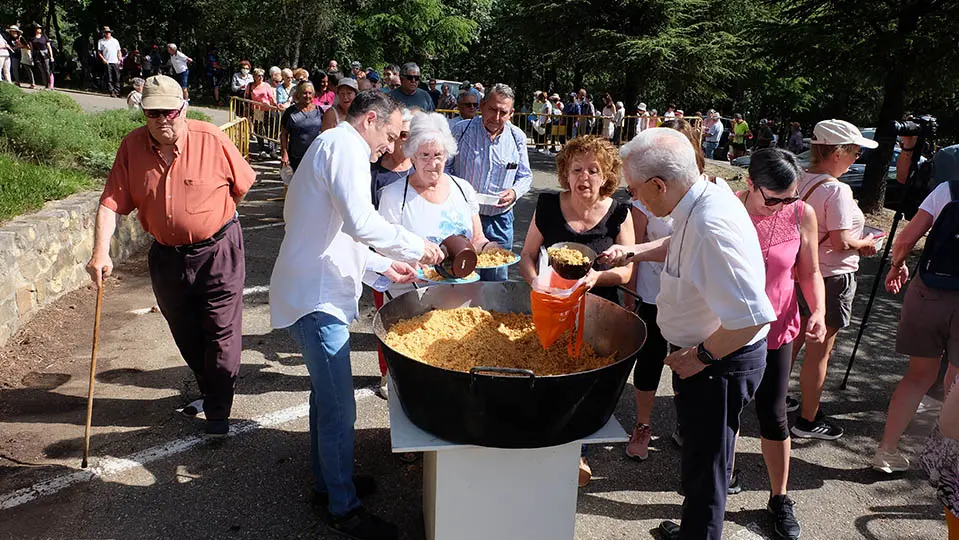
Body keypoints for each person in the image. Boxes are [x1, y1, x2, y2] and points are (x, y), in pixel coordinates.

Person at [269, 90, 443, 540]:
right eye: (390, 135)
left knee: (324, 400)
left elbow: (341, 235)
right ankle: (342, 508)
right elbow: (362, 223)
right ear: (369, 120)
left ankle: (330, 482)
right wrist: (416, 246)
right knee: (339, 407)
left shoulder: (336, 147)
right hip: (315, 298)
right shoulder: (344, 146)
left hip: (314, 289)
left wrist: (388, 266)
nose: (393, 146)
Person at [603, 128, 777, 540]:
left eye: (634, 190)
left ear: (659, 184)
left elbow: (752, 317)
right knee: (699, 459)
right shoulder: (696, 200)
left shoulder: (711, 225)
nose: (634, 199)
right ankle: (693, 529)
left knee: (708, 468)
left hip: (719, 361)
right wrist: (635, 251)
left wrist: (699, 356)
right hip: (705, 355)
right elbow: (678, 246)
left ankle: (699, 533)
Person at [87, 75, 255, 437]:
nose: (163, 119)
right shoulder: (131, 147)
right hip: (167, 257)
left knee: (221, 331)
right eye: (154, 113)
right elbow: (110, 203)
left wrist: (212, 220)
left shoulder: (212, 138)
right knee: (185, 331)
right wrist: (101, 251)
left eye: (170, 111)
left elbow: (242, 186)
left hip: (219, 250)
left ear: (184, 107)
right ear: (144, 113)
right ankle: (210, 388)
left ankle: (218, 413)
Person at [730, 148, 827, 540]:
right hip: (731, 330)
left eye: (790, 197)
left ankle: (779, 498)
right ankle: (721, 479)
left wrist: (817, 311)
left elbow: (811, 271)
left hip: (778, 329)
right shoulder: (730, 210)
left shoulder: (801, 213)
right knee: (728, 411)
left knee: (773, 414)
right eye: (774, 198)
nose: (783, 206)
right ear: (750, 184)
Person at [789, 119, 881, 441]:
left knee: (795, 338)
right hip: (831, 276)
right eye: (855, 151)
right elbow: (842, 242)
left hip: (801, 273)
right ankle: (807, 419)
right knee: (820, 350)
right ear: (837, 152)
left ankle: (774, 397)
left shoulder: (800, 179)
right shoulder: (837, 190)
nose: (857, 157)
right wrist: (866, 244)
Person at [874, 137, 959, 473]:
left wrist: (898, 265)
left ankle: (887, 450)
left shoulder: (948, 191)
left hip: (930, 291)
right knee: (956, 379)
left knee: (917, 376)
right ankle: (945, 459)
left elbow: (906, 238)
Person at [447, 83, 532, 281]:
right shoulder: (461, 131)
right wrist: (457, 192)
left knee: (495, 279)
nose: (496, 117)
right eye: (492, 109)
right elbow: (445, 168)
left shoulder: (517, 137)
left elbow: (526, 176)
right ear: (482, 106)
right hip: (463, 218)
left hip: (500, 220)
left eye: (503, 112)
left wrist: (514, 192)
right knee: (459, 276)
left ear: (511, 113)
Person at [370, 108, 414, 208]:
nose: (409, 140)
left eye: (414, 135)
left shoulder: (420, 167)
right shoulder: (374, 168)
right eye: (404, 135)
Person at [279, 82, 324, 174]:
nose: (307, 96)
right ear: (298, 94)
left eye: (310, 93)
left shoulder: (319, 111)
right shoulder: (290, 112)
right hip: (296, 158)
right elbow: (284, 134)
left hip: (315, 156)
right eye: (304, 93)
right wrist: (284, 154)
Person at [246, 68, 279, 159]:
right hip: (257, 111)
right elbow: (247, 97)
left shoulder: (266, 85)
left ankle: (272, 149)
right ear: (254, 76)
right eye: (258, 75)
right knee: (259, 130)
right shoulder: (250, 86)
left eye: (262, 75)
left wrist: (276, 105)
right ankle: (262, 149)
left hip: (268, 109)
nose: (260, 77)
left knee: (271, 130)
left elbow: (271, 97)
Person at [97, 27, 122, 96]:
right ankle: (111, 91)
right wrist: (103, 59)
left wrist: (119, 59)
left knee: (117, 77)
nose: (108, 33)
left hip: (115, 61)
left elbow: (119, 50)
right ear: (104, 33)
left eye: (109, 32)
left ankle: (117, 90)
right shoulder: (101, 41)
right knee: (109, 77)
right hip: (107, 61)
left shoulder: (115, 41)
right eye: (106, 32)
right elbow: (99, 52)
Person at [28, 24, 54, 90]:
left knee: (47, 69)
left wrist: (51, 56)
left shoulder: (44, 36)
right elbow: (31, 48)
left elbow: (49, 46)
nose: (39, 29)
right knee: (42, 70)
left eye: (40, 28)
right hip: (37, 55)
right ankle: (45, 85)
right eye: (38, 28)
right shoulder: (32, 38)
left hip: (45, 54)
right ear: (35, 30)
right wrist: (31, 56)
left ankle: (50, 84)